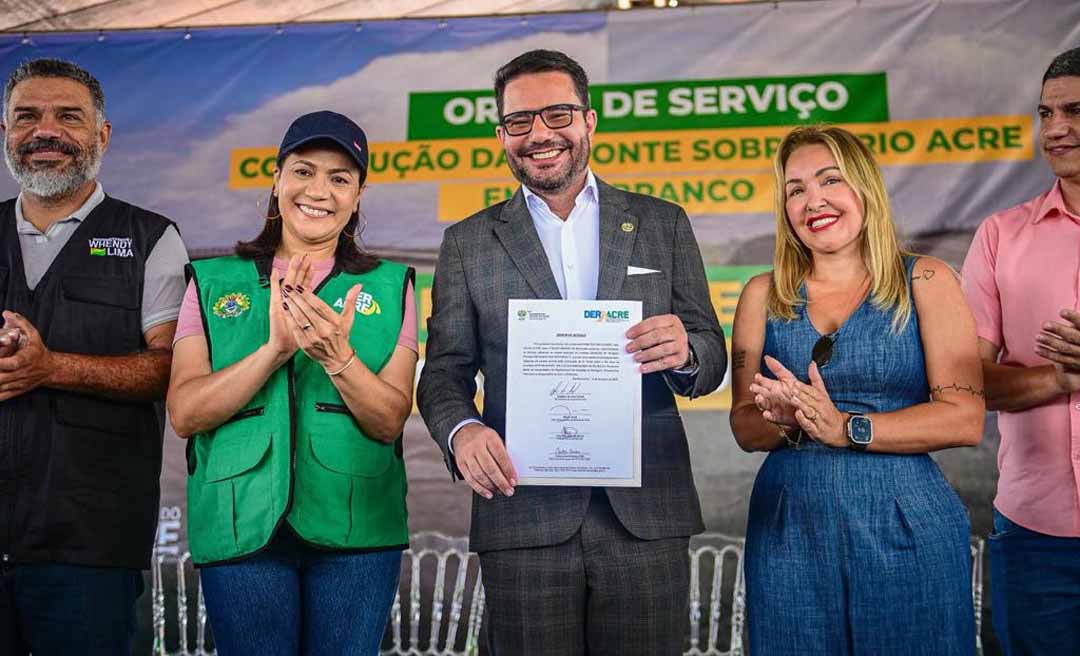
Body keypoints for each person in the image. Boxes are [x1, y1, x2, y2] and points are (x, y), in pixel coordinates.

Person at [416, 49, 727, 655]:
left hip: (647, 514)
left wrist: (687, 350)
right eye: (519, 121)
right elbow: (444, 372)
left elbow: (711, 353)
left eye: (557, 115)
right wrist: (462, 432)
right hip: (522, 512)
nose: (539, 135)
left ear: (589, 122)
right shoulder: (467, 243)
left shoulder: (662, 223)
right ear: (501, 134)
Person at [166, 110, 418, 656]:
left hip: (358, 531)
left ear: (358, 196)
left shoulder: (392, 286)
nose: (319, 191)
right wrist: (275, 351)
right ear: (276, 179)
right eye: (303, 171)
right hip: (241, 526)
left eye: (340, 178)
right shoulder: (212, 282)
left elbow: (389, 419)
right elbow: (185, 413)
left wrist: (338, 358)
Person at [729, 125, 984, 655]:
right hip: (787, 528)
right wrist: (787, 420)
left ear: (865, 187)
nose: (812, 200)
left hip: (906, 523)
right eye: (795, 189)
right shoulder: (761, 294)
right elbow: (744, 426)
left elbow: (964, 418)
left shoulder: (928, 281)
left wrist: (844, 427)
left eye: (829, 180)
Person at [0, 58, 189, 655]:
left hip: (93, 546)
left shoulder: (151, 238)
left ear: (101, 135)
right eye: (26, 116)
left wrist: (52, 366)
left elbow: (170, 370)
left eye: (68, 116)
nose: (44, 131)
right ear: (5, 132)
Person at [960, 46, 1080, 655]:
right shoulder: (1000, 236)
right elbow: (964, 381)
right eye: (1046, 113)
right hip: (1037, 533)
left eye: (1075, 111)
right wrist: (1060, 380)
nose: (1055, 129)